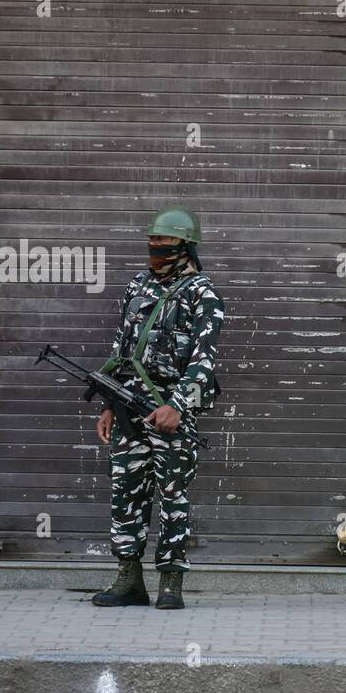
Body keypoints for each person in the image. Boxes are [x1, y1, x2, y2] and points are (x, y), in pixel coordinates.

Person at [91, 207, 224, 610]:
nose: (156, 249)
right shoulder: (137, 286)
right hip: (130, 408)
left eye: (165, 243)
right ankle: (129, 581)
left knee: (172, 496)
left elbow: (204, 360)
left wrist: (178, 405)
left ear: (186, 246)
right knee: (125, 494)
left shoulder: (203, 294)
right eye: (152, 242)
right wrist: (111, 402)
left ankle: (171, 584)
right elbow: (121, 350)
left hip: (171, 410)